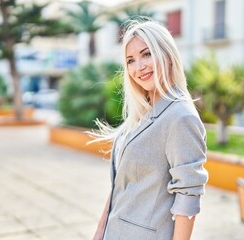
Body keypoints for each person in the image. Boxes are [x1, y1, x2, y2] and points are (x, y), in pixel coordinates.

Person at [92, 18, 208, 240]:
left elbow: (188, 196)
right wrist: (99, 233)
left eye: (147, 54)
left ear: (167, 55)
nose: (139, 67)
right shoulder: (142, 114)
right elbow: (120, 187)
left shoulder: (180, 116)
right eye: (130, 60)